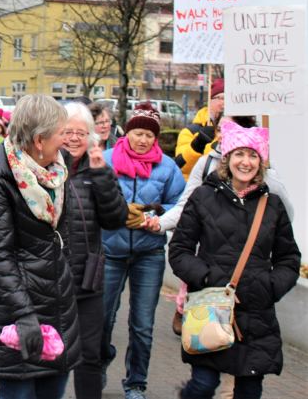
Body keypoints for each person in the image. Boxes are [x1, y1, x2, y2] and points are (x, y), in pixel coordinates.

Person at [169, 120, 301, 399]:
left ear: (261, 162)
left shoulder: (273, 206)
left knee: (249, 390)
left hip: (256, 314)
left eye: (253, 155)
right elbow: (179, 251)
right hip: (211, 308)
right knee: (203, 385)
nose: (246, 161)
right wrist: (206, 278)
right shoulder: (203, 197)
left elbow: (289, 258)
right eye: (240, 154)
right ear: (227, 159)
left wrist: (270, 286)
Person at [0, 95, 81, 398]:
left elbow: (67, 238)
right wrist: (24, 316)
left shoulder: (59, 174)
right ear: (39, 140)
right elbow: (0, 256)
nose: (68, 139)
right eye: (62, 132)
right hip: (14, 309)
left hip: (57, 307)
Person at [100, 102, 186, 399]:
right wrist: (116, 212)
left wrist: (157, 221)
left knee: (143, 325)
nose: (143, 139)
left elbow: (180, 203)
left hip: (149, 254)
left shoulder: (168, 166)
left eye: (149, 135)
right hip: (109, 250)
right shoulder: (107, 160)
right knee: (102, 319)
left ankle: (136, 383)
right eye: (138, 132)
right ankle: (98, 365)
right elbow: (90, 198)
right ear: (128, 132)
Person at [60, 102, 128, 399]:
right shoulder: (42, 168)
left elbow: (116, 219)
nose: (74, 138)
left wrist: (102, 175)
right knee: (51, 352)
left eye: (81, 132)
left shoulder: (99, 169)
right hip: (51, 280)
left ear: (91, 137)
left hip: (88, 279)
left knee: (89, 354)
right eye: (68, 131)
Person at [175, 79, 224, 180]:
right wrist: (197, 145)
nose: (225, 103)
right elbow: (181, 166)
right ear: (210, 101)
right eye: (221, 98)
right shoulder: (190, 132)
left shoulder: (240, 131)